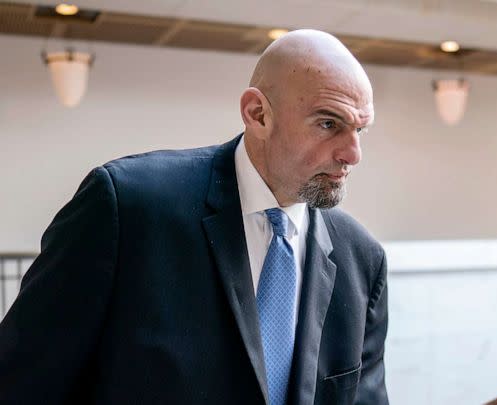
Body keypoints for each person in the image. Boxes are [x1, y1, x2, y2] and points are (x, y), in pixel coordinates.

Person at [0, 29, 388, 405]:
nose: (353, 155)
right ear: (257, 115)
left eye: (360, 129)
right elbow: (22, 384)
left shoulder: (362, 260)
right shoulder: (127, 206)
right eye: (328, 124)